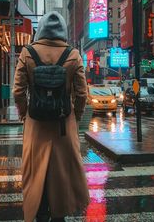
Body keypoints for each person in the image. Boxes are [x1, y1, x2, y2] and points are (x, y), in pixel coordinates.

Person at [13, 11, 90, 222]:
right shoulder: (73, 55)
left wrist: (24, 113)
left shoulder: (27, 53)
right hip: (63, 127)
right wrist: (76, 116)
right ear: (63, 31)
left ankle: (40, 212)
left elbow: (18, 91)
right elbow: (82, 94)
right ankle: (59, 212)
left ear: (41, 31)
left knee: (36, 174)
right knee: (61, 175)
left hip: (36, 125)